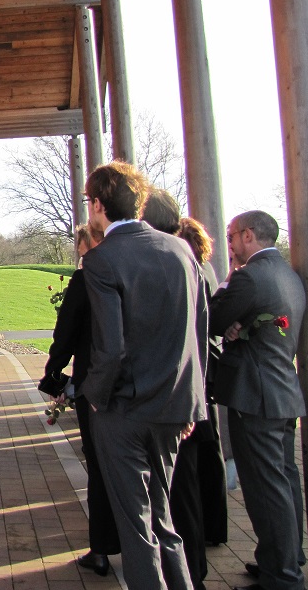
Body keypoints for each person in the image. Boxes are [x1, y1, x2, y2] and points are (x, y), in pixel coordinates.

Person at [81, 162, 209, 590]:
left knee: (137, 529)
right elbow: (200, 332)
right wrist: (194, 400)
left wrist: (95, 397)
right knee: (163, 518)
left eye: (89, 202)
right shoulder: (182, 252)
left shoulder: (102, 259)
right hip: (175, 406)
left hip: (125, 409)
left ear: (99, 204)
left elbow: (111, 346)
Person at [209, 211, 306, 590]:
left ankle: (282, 577)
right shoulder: (288, 275)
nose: (230, 245)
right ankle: (284, 558)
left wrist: (227, 296)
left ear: (248, 235)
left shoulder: (248, 276)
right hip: (283, 391)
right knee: (284, 481)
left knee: (266, 488)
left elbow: (213, 319)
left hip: (256, 396)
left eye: (232, 236)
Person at [140, 189, 221, 590]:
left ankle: (193, 573)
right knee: (181, 489)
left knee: (181, 493)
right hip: (189, 395)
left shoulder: (176, 260)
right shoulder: (190, 259)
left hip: (181, 397)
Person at [39, 223, 119, 577]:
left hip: (96, 385)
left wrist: (54, 374)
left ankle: (101, 547)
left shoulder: (84, 281)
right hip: (141, 387)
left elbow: (66, 333)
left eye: (80, 245)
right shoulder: (138, 270)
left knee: (100, 466)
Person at [176, 216, 229, 548]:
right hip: (207, 367)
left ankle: (203, 529)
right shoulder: (205, 267)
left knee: (197, 458)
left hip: (199, 368)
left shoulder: (193, 270)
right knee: (210, 453)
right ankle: (214, 527)